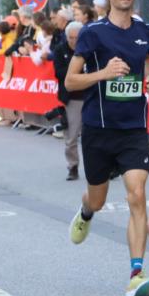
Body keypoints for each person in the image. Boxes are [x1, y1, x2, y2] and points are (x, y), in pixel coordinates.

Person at [65, 0, 149, 296]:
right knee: (99, 198)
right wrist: (103, 73)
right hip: (98, 129)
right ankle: (87, 212)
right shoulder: (93, 33)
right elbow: (70, 81)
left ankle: (137, 274)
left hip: (133, 128)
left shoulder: (147, 31)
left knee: (137, 194)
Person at [53, 21, 86, 179]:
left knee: (95, 135)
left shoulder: (88, 48)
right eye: (71, 38)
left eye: (77, 37)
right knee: (71, 136)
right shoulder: (60, 49)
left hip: (89, 95)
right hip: (72, 97)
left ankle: (102, 166)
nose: (74, 41)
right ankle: (73, 166)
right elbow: (59, 73)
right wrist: (76, 68)